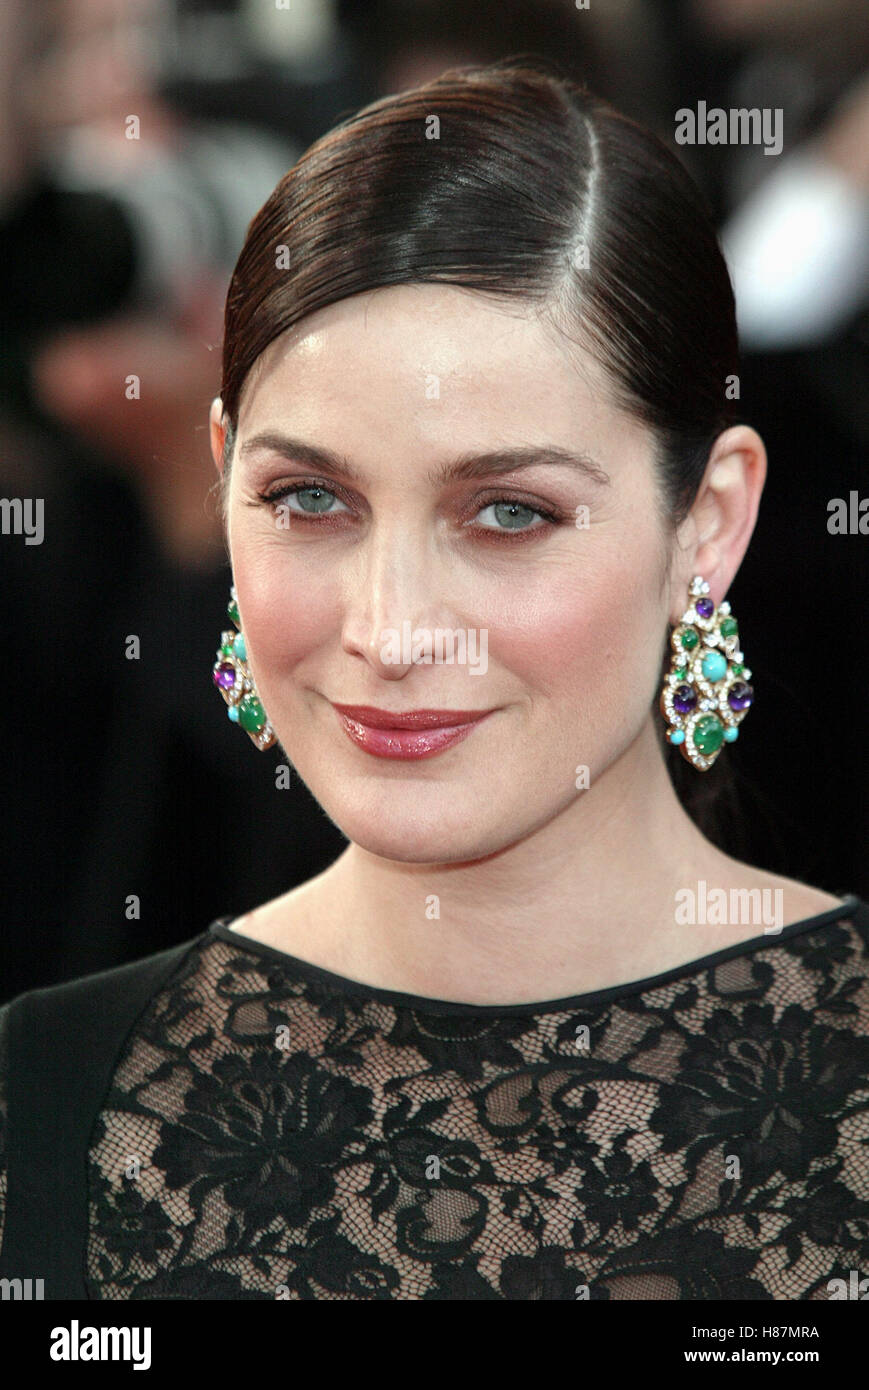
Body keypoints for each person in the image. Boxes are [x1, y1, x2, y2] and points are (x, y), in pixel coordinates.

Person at [1, 59, 866, 1302]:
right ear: (221, 479)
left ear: (708, 524)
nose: (393, 631)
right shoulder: (54, 1098)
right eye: (309, 498)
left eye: (508, 512)